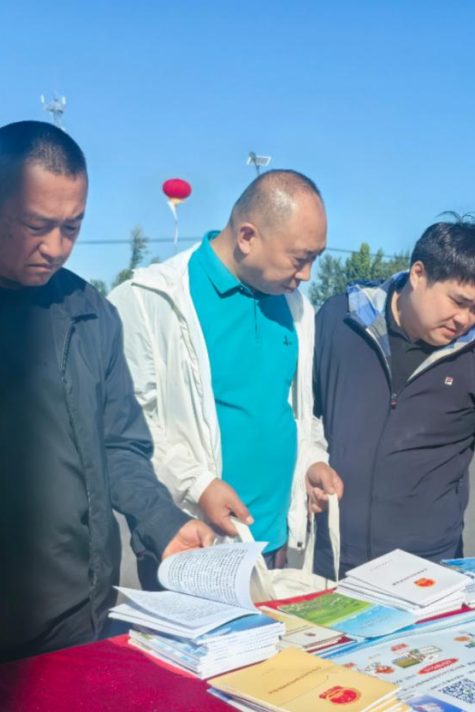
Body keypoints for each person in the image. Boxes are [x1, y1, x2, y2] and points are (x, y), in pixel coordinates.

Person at [0, 121, 212, 686]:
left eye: (72, 227)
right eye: (36, 226)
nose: (55, 247)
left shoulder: (89, 313)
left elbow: (119, 445)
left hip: (71, 622)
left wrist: (162, 521)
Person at [110, 170, 341, 577]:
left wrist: (312, 460)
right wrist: (197, 485)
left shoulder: (296, 308)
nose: (307, 274)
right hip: (191, 544)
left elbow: (296, 413)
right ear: (247, 237)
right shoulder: (152, 300)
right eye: (299, 258)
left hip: (276, 545)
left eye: (315, 258)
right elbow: (127, 430)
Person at [312, 218, 475, 578]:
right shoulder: (340, 320)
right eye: (458, 301)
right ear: (418, 274)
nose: (465, 319)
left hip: (428, 564)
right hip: (334, 555)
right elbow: (301, 415)